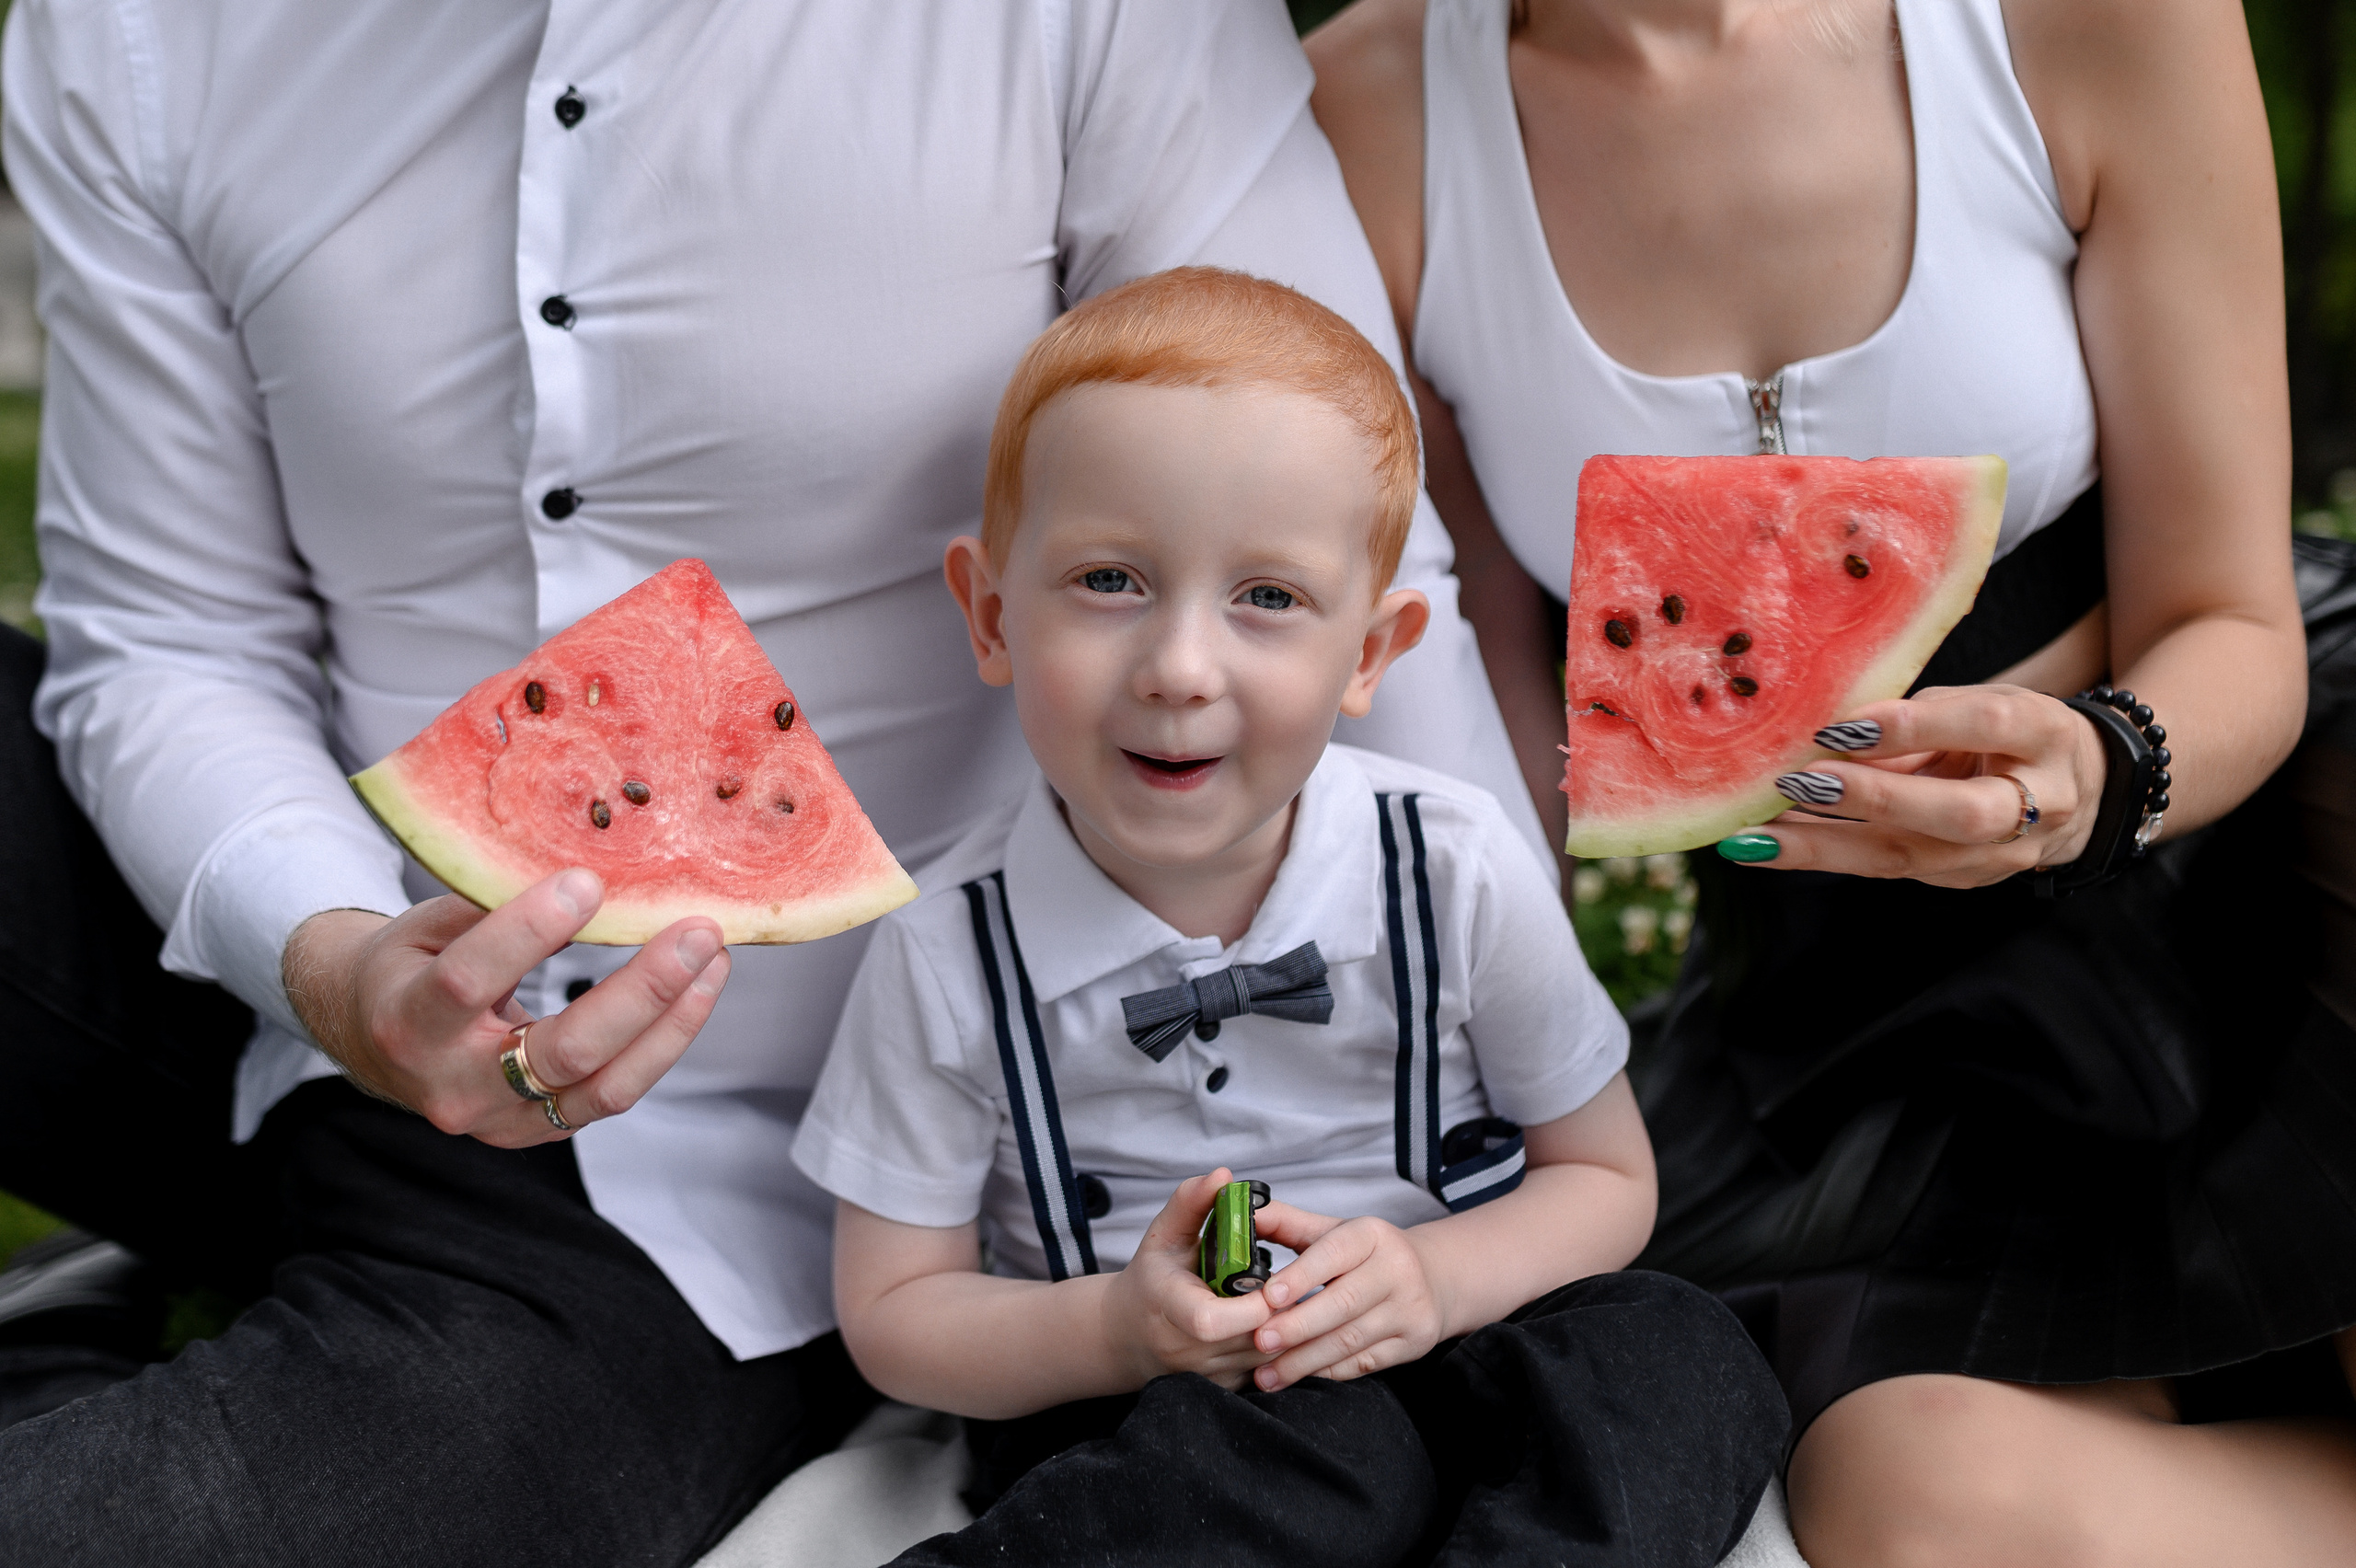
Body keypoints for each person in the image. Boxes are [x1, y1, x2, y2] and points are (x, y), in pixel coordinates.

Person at [0, 3, 1545, 1562]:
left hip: (768, 1144)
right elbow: (170, 635)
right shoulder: (142, 34)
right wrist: (328, 958)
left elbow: (1340, 548)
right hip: (296, 972)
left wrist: (1497, 1146)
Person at [1304, 0, 2356, 1563]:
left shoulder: (2090, 20)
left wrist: (2096, 768)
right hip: (1855, 1012)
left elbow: (2233, 618)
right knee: (1901, 1493)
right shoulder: (1371, 110)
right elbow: (1489, 732)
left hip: (2252, 827)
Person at [791, 267, 1785, 1566]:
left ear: (1368, 654)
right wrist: (1115, 1331)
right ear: (990, 616)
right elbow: (895, 1312)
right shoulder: (947, 953)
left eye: (1267, 598)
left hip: (1463, 1340)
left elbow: (1605, 1178)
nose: (1180, 668)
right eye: (1109, 579)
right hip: (1153, 1414)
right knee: (1303, 1469)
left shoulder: (1454, 866)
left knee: (1685, 1354)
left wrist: (1434, 1282)